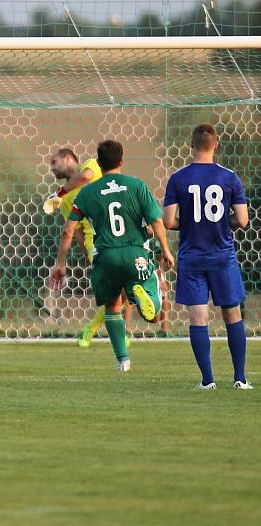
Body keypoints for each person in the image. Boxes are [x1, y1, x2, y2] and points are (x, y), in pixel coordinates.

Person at [50, 140, 175, 371]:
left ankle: (123, 361)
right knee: (154, 312)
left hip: (106, 256)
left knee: (112, 306)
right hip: (136, 252)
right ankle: (145, 296)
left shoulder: (87, 193)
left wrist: (60, 264)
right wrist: (165, 250)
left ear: (98, 163)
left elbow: (69, 230)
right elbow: (156, 220)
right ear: (122, 161)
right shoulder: (136, 185)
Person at [163, 123, 252, 390]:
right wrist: (224, 222)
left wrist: (189, 223)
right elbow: (244, 220)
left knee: (198, 317)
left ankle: (208, 381)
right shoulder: (229, 177)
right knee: (232, 315)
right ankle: (240, 378)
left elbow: (168, 222)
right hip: (222, 255)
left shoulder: (178, 178)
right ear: (216, 145)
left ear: (191, 145)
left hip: (192, 257)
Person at [46, 148, 118, 348]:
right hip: (95, 243)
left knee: (120, 291)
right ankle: (114, 336)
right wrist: (83, 254)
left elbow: (85, 178)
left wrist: (59, 192)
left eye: (54, 162)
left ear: (68, 158)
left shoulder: (91, 164)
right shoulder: (65, 202)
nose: (52, 168)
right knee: (119, 290)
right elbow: (74, 231)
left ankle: (94, 329)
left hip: (117, 234)